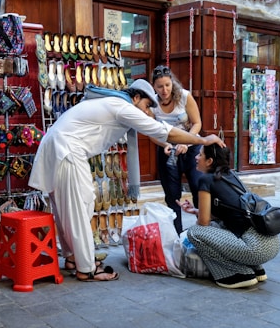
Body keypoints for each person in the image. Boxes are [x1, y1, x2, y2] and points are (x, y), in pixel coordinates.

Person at [28, 79, 225, 282]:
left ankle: (73, 259)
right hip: (66, 151)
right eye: (147, 106)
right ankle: (86, 268)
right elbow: (163, 131)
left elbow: (158, 132)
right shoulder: (122, 107)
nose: (148, 112)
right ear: (136, 97)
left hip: (58, 148)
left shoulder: (114, 103)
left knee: (67, 210)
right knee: (79, 207)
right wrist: (203, 140)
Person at [178, 144, 280, 289]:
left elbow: (203, 222)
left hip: (255, 249)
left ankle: (239, 274)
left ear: (209, 161)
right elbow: (224, 214)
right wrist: (195, 210)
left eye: (200, 155)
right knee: (218, 225)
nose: (196, 157)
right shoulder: (231, 175)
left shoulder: (205, 180)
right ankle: (257, 269)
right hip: (271, 245)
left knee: (195, 233)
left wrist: (199, 215)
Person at [150, 65, 202, 234]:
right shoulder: (152, 104)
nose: (164, 90)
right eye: (160, 86)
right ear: (154, 87)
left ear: (172, 83)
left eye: (167, 85)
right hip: (167, 149)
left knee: (198, 187)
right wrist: (165, 145)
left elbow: (197, 123)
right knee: (172, 195)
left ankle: (205, 232)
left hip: (191, 148)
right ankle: (177, 236)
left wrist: (186, 143)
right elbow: (151, 132)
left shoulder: (184, 97)